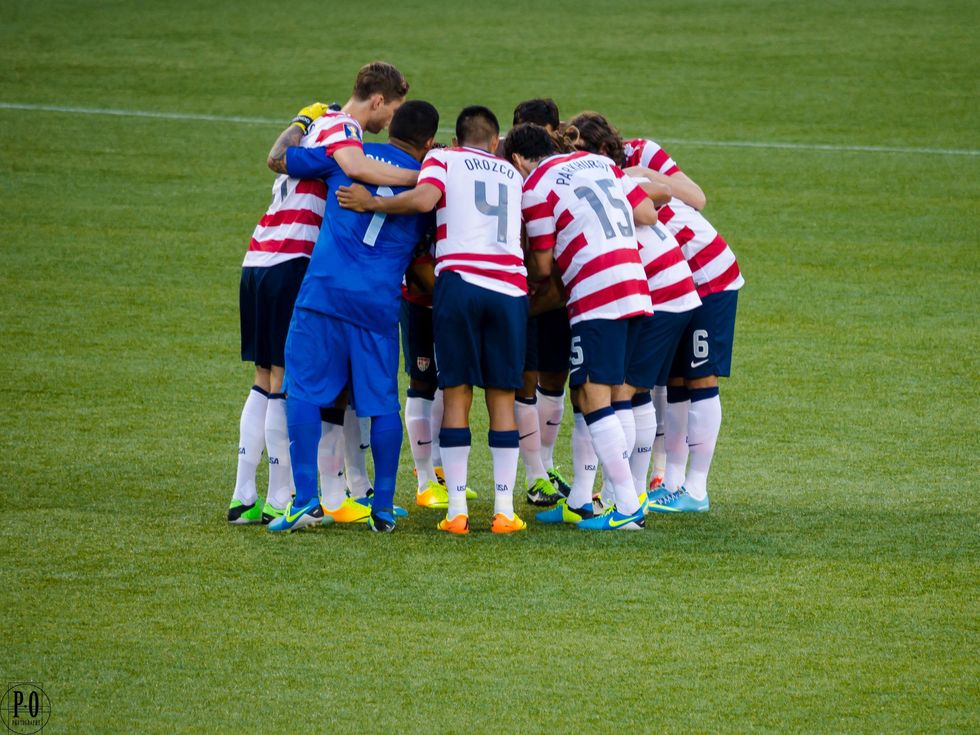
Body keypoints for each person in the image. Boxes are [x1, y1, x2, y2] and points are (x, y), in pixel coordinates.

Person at [338, 106, 529, 535]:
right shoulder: (512, 175)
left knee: (457, 394)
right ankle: (504, 511)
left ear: (457, 137)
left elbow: (425, 200)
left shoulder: (442, 159)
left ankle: (457, 511)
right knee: (502, 397)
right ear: (495, 141)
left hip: (459, 282)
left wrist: (372, 201)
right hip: (510, 287)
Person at [266, 98, 441, 533]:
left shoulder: (346, 158)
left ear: (388, 127)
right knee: (381, 403)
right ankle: (381, 507)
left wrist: (302, 120)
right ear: (430, 142)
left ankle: (305, 499)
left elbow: (280, 158)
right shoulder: (429, 189)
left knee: (303, 392)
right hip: (378, 303)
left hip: (323, 291)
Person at [505, 123, 661, 531]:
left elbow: (540, 264)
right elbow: (643, 209)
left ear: (519, 160)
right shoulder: (599, 162)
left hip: (596, 290)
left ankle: (626, 505)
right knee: (610, 391)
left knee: (592, 394)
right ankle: (612, 499)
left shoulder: (535, 185)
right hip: (635, 280)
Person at [566, 112, 702, 510]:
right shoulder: (609, 178)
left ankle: (626, 499)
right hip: (664, 290)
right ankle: (622, 495)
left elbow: (652, 209)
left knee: (622, 391)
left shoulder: (599, 178)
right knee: (630, 390)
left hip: (662, 293)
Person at [621, 123, 744, 512]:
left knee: (700, 378)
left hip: (709, 277)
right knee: (676, 381)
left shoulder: (631, 169)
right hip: (680, 284)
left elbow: (695, 200)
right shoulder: (620, 180)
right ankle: (673, 482)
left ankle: (696, 488)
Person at [228, 100, 339, 526]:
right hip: (289, 262)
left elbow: (276, 153)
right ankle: (278, 498)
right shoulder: (325, 158)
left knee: (262, 376)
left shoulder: (298, 154)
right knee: (282, 379)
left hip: (256, 260)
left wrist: (303, 118)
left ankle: (243, 497)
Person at [509, 99, 569, 507]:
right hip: (525, 291)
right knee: (524, 381)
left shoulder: (560, 168)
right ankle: (534, 477)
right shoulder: (508, 172)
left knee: (555, 377)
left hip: (555, 293)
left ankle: (545, 466)